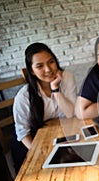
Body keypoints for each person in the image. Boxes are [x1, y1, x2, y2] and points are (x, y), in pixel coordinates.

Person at [11, 42, 77, 173]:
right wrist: (39, 154)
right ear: (31, 70)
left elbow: (70, 114)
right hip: (31, 141)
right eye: (40, 66)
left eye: (51, 62)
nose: (48, 69)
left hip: (57, 135)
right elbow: (23, 133)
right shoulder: (23, 96)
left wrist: (55, 89)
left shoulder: (67, 77)